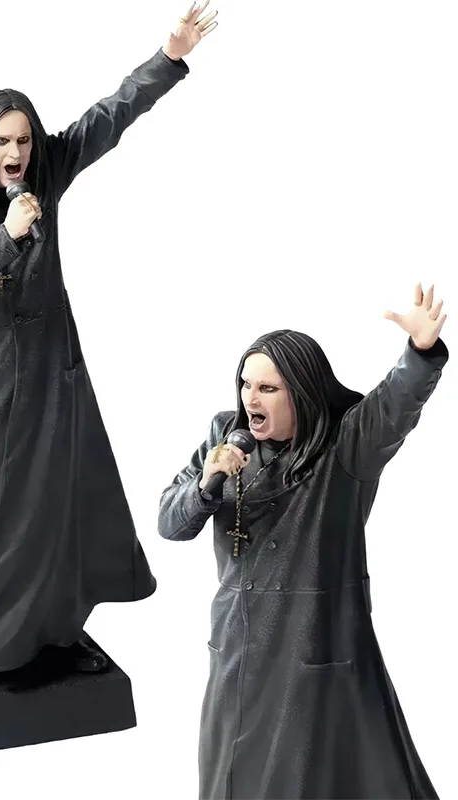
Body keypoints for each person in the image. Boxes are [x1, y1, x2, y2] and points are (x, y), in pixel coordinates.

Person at [0, 4, 219, 697]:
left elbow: (109, 117)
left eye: (24, 139)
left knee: (51, 510)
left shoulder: (46, 172)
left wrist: (169, 57)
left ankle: (49, 638)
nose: (15, 152)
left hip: (48, 373)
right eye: (2, 140)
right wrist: (5, 234)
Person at [158, 283, 447, 799]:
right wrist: (207, 481)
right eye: (246, 384)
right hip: (237, 643)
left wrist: (419, 353)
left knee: (312, 777)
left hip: (312, 645)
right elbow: (170, 523)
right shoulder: (224, 438)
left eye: (268, 388)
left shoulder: (345, 446)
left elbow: (393, 406)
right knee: (231, 772)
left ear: (302, 392)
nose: (250, 399)